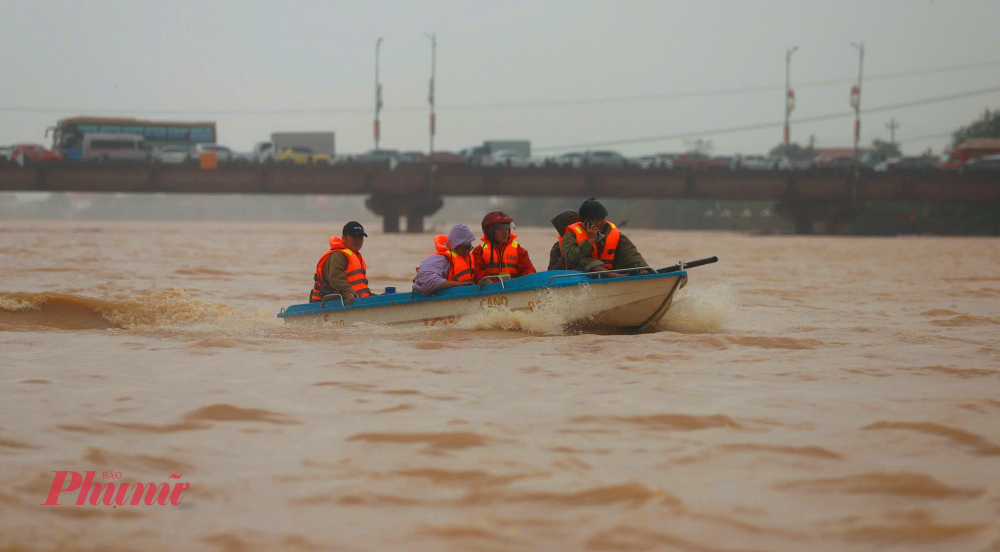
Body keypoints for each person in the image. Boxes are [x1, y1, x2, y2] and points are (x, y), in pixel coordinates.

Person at [560, 198, 651, 275]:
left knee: (632, 260)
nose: (603, 222)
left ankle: (639, 274)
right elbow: (571, 258)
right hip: (582, 276)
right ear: (587, 221)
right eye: (599, 219)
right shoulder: (571, 236)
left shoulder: (612, 233)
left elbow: (631, 253)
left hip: (609, 273)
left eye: (604, 218)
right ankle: (618, 277)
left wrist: (642, 266)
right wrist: (590, 241)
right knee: (585, 261)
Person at [310, 221, 372, 305]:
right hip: (331, 303)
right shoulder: (338, 255)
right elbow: (335, 278)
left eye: (360, 237)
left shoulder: (356, 255)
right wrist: (348, 292)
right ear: (344, 238)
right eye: (354, 236)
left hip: (355, 301)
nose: (357, 240)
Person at [412, 224, 477, 295]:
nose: (467, 251)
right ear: (454, 246)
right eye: (464, 248)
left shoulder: (469, 258)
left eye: (469, 247)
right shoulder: (439, 259)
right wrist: (457, 284)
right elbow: (426, 281)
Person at [473, 211, 536, 282]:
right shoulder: (479, 251)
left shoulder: (519, 250)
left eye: (507, 228)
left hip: (513, 289)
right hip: (489, 290)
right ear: (490, 231)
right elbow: (476, 271)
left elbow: (528, 270)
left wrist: (528, 278)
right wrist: (485, 281)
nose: (505, 232)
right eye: (501, 229)